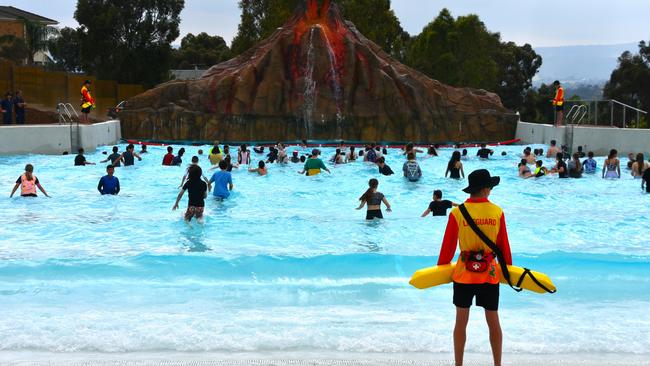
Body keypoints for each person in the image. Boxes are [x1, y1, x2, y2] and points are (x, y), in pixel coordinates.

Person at [437, 169, 511, 366]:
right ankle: (497, 364)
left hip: (463, 275)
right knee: (493, 321)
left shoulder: (457, 212)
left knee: (461, 322)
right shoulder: (497, 212)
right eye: (491, 188)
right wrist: (509, 271)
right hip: (490, 274)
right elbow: (504, 246)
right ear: (486, 189)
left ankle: (458, 364)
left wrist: (440, 269)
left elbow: (448, 247)